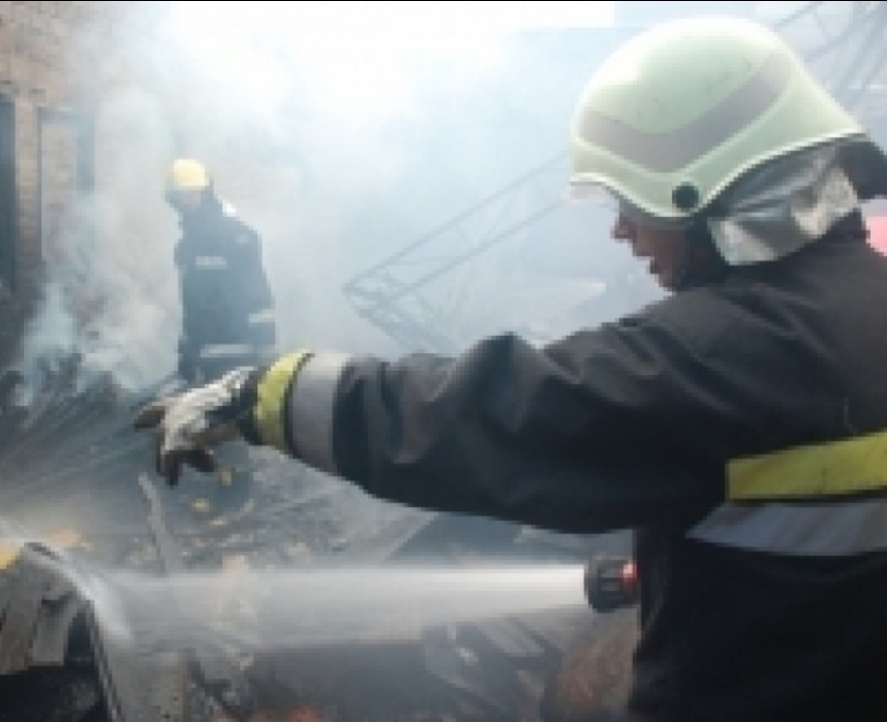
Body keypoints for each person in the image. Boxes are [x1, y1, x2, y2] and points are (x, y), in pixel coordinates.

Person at [136, 16, 887, 722]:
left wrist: (265, 395)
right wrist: (684, 569)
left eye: (632, 202)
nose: (621, 231)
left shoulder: (724, 354)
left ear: (707, 195)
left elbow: (499, 413)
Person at [162, 157, 278, 519]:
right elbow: (191, 308)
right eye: (178, 197)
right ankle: (228, 489)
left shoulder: (236, 236)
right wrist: (186, 351)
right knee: (213, 422)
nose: (185, 202)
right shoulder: (187, 245)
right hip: (208, 352)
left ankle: (238, 499)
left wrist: (266, 350)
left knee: (228, 424)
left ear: (206, 192)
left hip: (237, 348)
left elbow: (259, 296)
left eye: (191, 194)